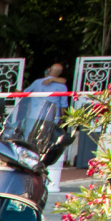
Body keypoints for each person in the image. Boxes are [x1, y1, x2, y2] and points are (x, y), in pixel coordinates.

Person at [25, 63, 70, 192]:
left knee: (31, 146)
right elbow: (63, 107)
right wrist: (62, 123)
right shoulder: (62, 86)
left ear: (48, 70)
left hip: (35, 119)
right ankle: (43, 173)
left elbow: (25, 93)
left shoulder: (37, 82)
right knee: (47, 148)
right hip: (51, 120)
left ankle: (30, 173)